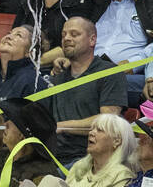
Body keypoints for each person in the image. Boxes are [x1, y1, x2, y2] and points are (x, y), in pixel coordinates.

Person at [48, 17, 126, 163]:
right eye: (63, 35)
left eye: (74, 34)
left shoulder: (110, 72)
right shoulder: (57, 78)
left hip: (88, 158)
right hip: (52, 155)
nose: (67, 38)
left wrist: (63, 126)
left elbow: (108, 120)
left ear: (92, 40)